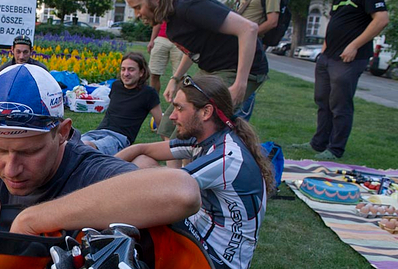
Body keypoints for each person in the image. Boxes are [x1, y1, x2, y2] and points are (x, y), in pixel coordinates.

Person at [0, 64, 199, 231]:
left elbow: (182, 191)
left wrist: (33, 219)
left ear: (62, 132)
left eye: (29, 152)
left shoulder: (86, 168)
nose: (11, 169)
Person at [115, 75, 275, 269]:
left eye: (180, 109)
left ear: (206, 112)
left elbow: (162, 192)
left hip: (219, 262)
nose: (172, 116)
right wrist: (99, 169)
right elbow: (142, 149)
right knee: (143, 162)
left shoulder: (225, 157)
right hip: (201, 230)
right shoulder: (208, 137)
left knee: (147, 197)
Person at [127, 0, 269, 142]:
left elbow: (248, 28)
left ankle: (195, 163)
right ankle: (177, 165)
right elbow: (193, 50)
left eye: (138, 7)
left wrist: (240, 84)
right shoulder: (172, 21)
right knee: (169, 124)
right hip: (212, 68)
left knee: (191, 124)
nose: (137, 14)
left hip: (236, 69)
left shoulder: (188, 6)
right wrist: (175, 78)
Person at [292, 0, 388, 160]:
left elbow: (382, 19)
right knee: (322, 101)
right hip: (328, 56)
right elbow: (335, 22)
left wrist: (354, 46)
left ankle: (335, 149)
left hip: (349, 58)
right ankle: (318, 143)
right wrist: (324, 51)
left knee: (340, 104)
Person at [81, 52, 162, 155]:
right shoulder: (116, 86)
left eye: (131, 69)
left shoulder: (148, 93)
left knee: (87, 147)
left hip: (118, 139)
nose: (126, 73)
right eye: (123, 69)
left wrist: (172, 150)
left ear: (141, 72)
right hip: (97, 132)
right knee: (71, 144)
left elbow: (161, 124)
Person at [235, 0, 281, 121]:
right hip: (236, 44)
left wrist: (248, 35)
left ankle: (239, 131)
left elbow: (272, 21)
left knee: (245, 84)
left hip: (251, 44)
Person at [147, 22, 183, 94]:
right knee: (154, 73)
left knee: (180, 76)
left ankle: (178, 103)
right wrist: (151, 40)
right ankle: (153, 102)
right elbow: (157, 21)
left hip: (180, 39)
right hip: (162, 38)